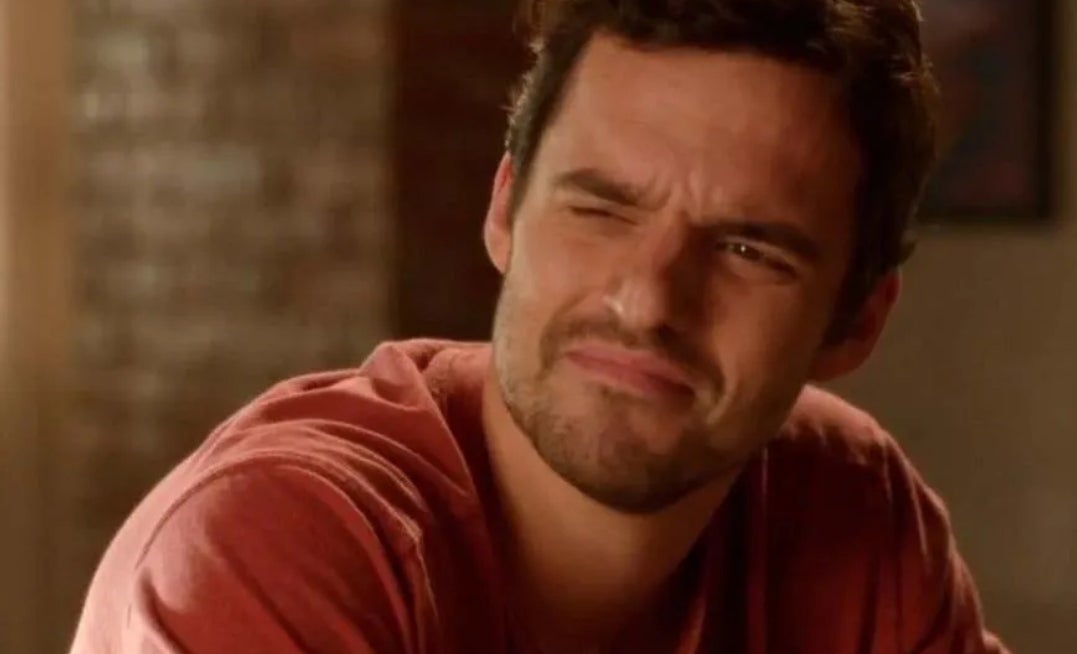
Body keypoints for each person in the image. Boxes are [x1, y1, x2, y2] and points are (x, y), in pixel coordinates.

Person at [70, 0, 1010, 652]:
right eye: (600, 209)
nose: (647, 301)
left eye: (747, 251)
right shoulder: (279, 543)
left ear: (857, 320)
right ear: (504, 208)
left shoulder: (849, 502)